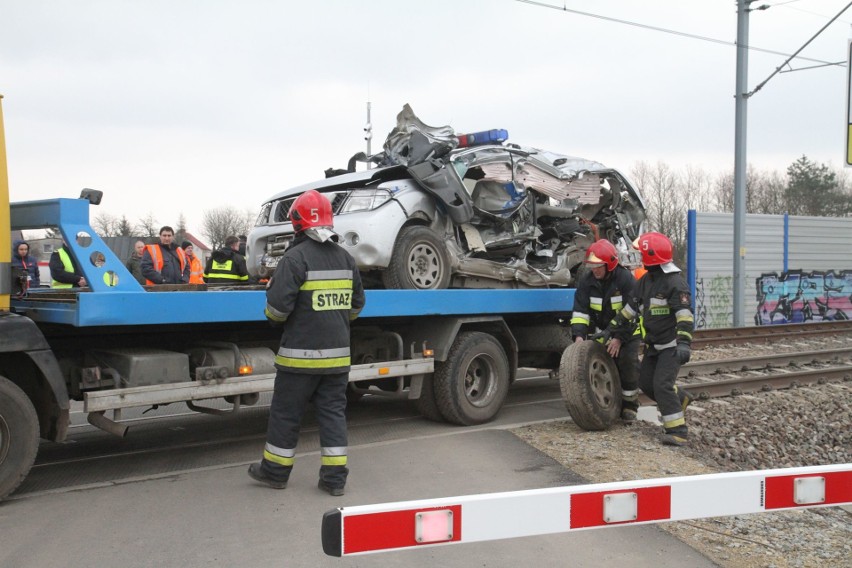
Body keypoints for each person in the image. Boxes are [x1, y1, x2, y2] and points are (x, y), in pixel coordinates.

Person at [248, 189, 365, 496]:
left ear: (297, 223)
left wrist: (275, 317)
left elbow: (277, 310)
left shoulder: (295, 258)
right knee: (333, 416)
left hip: (298, 361)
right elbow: (356, 305)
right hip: (337, 361)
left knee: (286, 415)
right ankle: (334, 480)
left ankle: (274, 472)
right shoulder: (346, 258)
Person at [608, 232, 695, 446]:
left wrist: (684, 343)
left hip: (672, 346)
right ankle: (680, 398)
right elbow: (630, 309)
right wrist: (611, 328)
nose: (638, 257)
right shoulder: (646, 281)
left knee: (662, 385)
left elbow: (684, 316)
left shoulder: (675, 283)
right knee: (646, 383)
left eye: (641, 253)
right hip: (654, 346)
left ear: (652, 256)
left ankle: (678, 432)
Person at [570, 239, 640, 421]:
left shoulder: (625, 280)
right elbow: (580, 311)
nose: (595, 270)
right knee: (606, 364)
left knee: (627, 363)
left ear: (610, 264)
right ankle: (611, 405)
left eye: (599, 266)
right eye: (592, 266)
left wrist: (618, 338)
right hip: (604, 331)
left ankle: (630, 405)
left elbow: (632, 312)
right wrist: (579, 336)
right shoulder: (587, 282)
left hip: (628, 332)